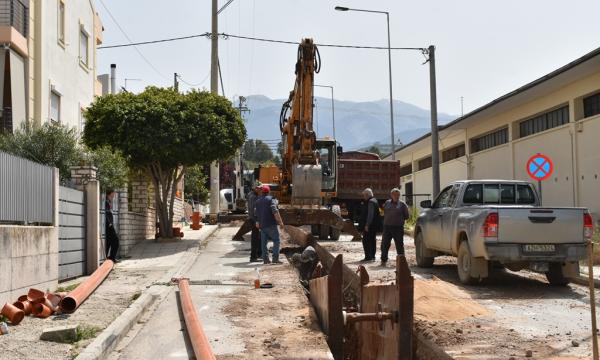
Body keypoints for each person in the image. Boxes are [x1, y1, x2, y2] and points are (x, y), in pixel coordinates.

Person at [255, 184, 285, 264]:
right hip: (271, 224)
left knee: (263, 243)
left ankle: (265, 259)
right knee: (276, 240)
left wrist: (257, 222)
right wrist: (280, 222)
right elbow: (275, 211)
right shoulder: (272, 199)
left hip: (262, 225)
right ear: (268, 192)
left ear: (262, 192)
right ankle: (275, 259)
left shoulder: (258, 201)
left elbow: (256, 214)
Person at [380, 187, 410, 266]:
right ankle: (383, 260)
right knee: (385, 244)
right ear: (391, 195)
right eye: (395, 195)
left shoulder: (402, 205)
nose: (396, 197)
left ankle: (401, 261)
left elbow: (407, 216)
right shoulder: (387, 203)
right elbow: (384, 212)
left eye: (398, 195)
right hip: (387, 227)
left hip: (398, 228)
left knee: (399, 244)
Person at [360, 188, 381, 262]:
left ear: (367, 195)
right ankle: (372, 256)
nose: (363, 197)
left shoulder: (371, 202)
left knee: (366, 240)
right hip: (374, 225)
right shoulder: (375, 200)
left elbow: (370, 215)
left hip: (370, 226)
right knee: (372, 240)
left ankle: (368, 257)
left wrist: (367, 225)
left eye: (364, 195)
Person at [247, 183, 262, 262]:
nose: (260, 190)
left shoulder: (251, 194)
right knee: (255, 239)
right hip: (254, 220)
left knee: (257, 238)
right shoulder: (253, 197)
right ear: (254, 188)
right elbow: (254, 210)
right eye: (258, 188)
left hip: (252, 219)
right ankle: (253, 257)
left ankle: (259, 254)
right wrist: (257, 221)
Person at [105, 189, 120, 262]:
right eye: (112, 195)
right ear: (108, 194)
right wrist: (109, 223)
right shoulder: (105, 202)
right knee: (115, 240)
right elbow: (105, 214)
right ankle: (111, 258)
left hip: (108, 225)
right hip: (108, 225)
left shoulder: (108, 202)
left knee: (108, 242)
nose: (113, 197)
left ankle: (108, 258)